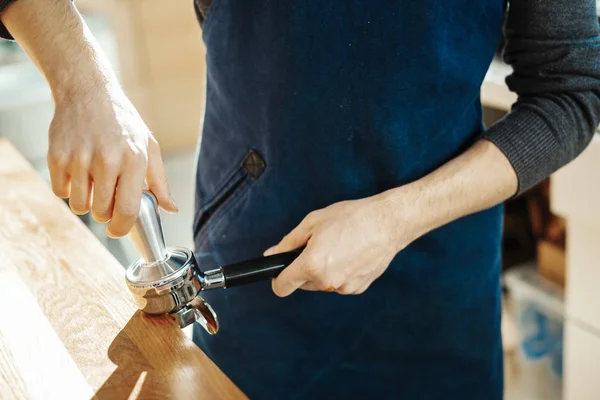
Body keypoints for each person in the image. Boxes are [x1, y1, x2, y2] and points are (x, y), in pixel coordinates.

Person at [1, 0, 598, 398]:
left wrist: (399, 216)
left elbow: (570, 92)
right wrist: (83, 80)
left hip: (437, 290)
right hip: (254, 255)